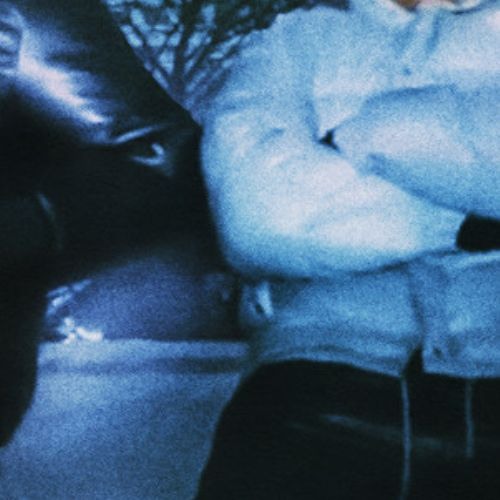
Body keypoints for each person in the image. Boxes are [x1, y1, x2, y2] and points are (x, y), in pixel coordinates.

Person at [190, 0, 500, 498]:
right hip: (318, 390)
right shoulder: (295, 40)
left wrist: (367, 137)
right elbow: (261, 215)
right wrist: (472, 221)